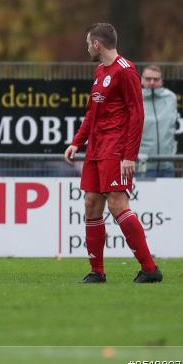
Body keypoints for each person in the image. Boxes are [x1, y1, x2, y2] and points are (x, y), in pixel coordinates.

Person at [64, 23, 162, 284]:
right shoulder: (99, 71)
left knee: (117, 204)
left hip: (116, 150)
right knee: (91, 205)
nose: (87, 47)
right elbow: (91, 113)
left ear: (97, 44)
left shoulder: (126, 72)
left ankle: (150, 269)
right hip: (96, 150)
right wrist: (77, 142)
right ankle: (97, 271)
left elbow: (136, 115)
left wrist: (129, 155)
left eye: (88, 43)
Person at [139, 65, 177, 178]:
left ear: (161, 81)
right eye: (148, 79)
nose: (151, 82)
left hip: (167, 166)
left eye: (155, 79)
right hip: (142, 166)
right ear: (141, 80)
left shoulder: (171, 98)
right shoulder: (134, 98)